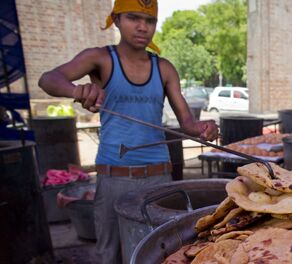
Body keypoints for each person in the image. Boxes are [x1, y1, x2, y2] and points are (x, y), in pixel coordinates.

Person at [38, 1, 218, 263]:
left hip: (160, 176)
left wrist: (203, 128)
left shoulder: (164, 68)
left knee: (162, 250)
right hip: (115, 175)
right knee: (109, 253)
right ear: (117, 19)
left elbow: (187, 122)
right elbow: (48, 79)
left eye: (150, 21)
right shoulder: (100, 59)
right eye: (134, 18)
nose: (142, 27)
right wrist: (77, 91)